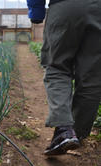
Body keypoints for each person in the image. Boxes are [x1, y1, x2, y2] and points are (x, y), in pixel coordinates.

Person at [27, 0, 101, 155]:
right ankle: (77, 134)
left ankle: (64, 130)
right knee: (92, 78)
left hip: (65, 6)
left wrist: (36, 12)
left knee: (57, 67)